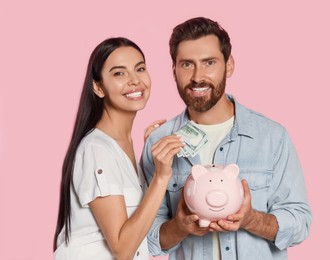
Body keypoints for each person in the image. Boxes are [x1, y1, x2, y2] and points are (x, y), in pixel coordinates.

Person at [141, 17, 312, 259]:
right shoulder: (158, 143)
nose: (198, 76)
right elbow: (145, 237)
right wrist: (179, 228)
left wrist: (251, 219)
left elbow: (300, 223)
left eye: (209, 62)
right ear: (174, 70)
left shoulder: (272, 138)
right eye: (187, 64)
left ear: (229, 65)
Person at [53, 37, 184, 260]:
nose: (135, 80)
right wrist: (162, 176)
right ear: (98, 86)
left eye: (140, 69)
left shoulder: (124, 146)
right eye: (119, 73)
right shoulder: (97, 150)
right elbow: (122, 249)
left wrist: (149, 160)